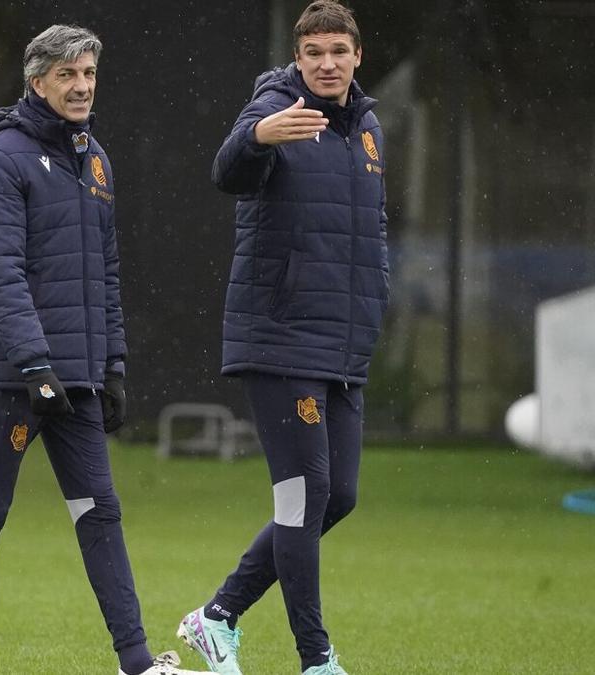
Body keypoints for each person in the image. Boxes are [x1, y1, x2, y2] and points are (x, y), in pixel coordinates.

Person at [0, 25, 209, 675]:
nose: (82, 85)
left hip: (79, 379)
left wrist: (112, 366)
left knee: (101, 513)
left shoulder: (96, 158)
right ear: (37, 82)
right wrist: (35, 364)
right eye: (68, 74)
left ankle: (137, 661)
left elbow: (105, 272)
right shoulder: (2, 158)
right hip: (15, 377)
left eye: (89, 73)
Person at [175, 2, 388, 674]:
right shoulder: (275, 104)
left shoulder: (369, 126)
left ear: (358, 56)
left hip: (342, 344)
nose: (326, 63)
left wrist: (372, 307)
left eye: (338, 51)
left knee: (339, 495)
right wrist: (258, 137)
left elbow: (370, 234)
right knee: (303, 493)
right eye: (314, 52)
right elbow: (227, 171)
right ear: (298, 58)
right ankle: (316, 658)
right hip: (281, 337)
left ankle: (217, 615)